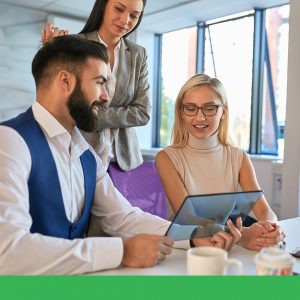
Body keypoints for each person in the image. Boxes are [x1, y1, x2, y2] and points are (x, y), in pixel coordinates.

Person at [0, 36, 241, 275]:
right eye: (100, 81)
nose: (106, 96)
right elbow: (7, 252)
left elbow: (123, 217)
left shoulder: (86, 155)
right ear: (66, 80)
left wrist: (194, 236)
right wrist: (121, 252)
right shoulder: (10, 140)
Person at [156, 73, 285, 251]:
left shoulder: (239, 157)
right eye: (191, 108)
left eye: (209, 108)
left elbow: (265, 211)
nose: (200, 117)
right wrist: (243, 234)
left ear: (223, 111)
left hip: (225, 247)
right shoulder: (166, 158)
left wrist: (271, 228)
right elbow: (188, 218)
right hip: (183, 247)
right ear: (181, 112)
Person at [42, 0, 150, 171]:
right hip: (80, 155)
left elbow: (143, 113)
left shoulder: (138, 54)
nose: (125, 20)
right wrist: (51, 56)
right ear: (103, 6)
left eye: (134, 16)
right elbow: (62, 104)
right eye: (119, 9)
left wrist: (91, 117)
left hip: (123, 162)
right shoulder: (75, 45)